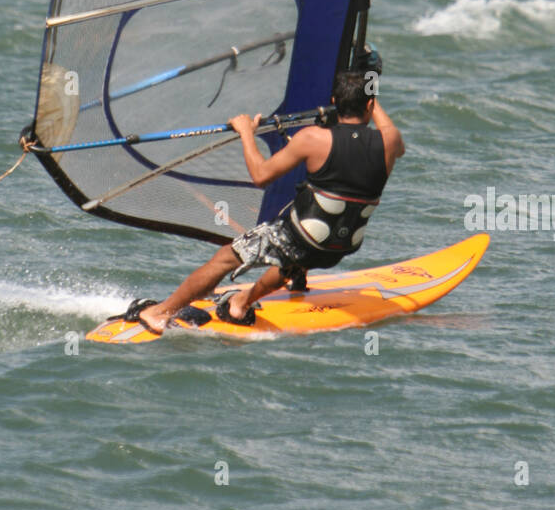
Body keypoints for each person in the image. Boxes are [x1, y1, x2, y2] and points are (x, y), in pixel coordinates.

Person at [123, 64, 404, 335]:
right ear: (369, 106)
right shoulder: (390, 142)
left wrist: (246, 132)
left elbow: (261, 176)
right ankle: (240, 303)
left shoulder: (312, 139)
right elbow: (385, 129)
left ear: (334, 101)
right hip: (342, 247)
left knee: (227, 258)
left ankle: (161, 312)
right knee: (290, 253)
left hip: (307, 239)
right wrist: (370, 93)